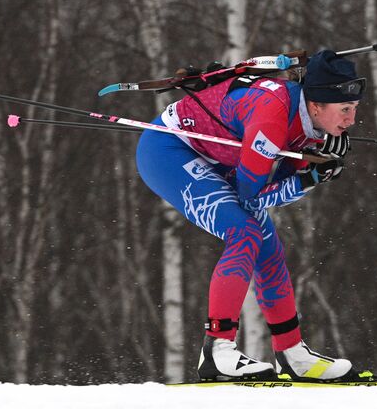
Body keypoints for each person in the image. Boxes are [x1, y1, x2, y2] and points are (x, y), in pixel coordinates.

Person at [135, 48, 364, 381]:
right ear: (316, 105)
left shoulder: (308, 121)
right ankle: (217, 350)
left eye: (354, 109)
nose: (351, 120)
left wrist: (311, 158)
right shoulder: (273, 117)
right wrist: (310, 177)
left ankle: (292, 353)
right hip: (169, 151)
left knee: (269, 249)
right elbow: (251, 197)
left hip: (220, 157)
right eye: (344, 109)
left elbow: (279, 176)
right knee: (244, 232)